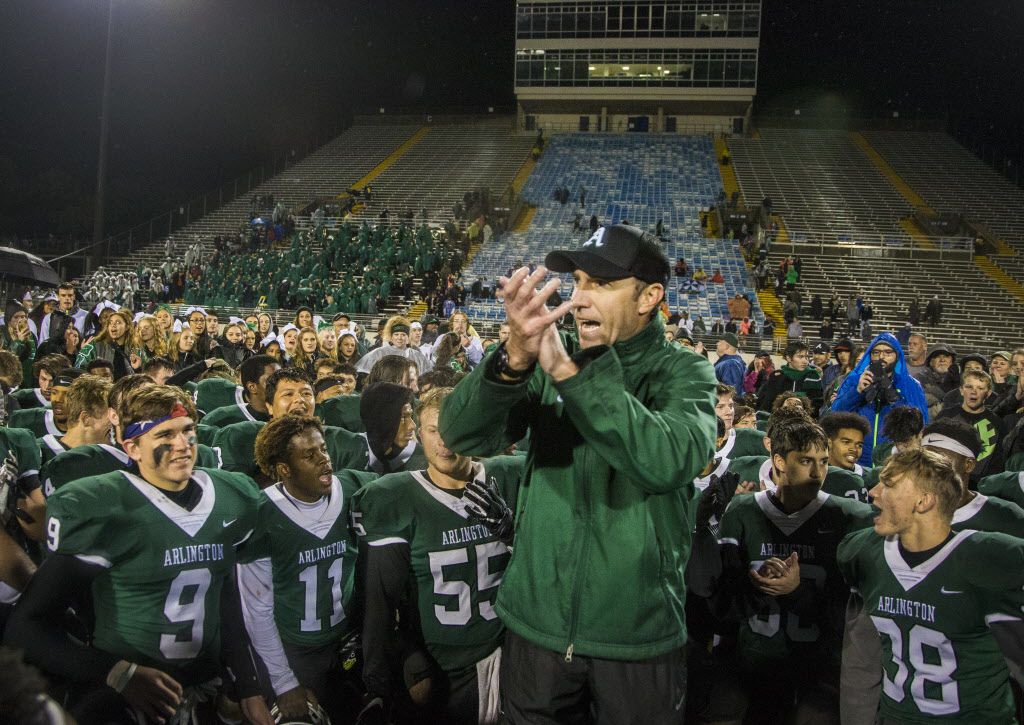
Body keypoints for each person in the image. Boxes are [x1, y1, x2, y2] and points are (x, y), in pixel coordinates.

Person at [438, 224, 717, 721]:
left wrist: (570, 373)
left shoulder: (684, 372)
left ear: (650, 296)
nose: (579, 298)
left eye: (601, 285)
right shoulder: (545, 355)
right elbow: (461, 436)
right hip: (536, 625)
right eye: (578, 281)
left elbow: (666, 460)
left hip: (636, 636)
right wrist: (513, 359)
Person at [5, 385, 271, 725]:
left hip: (207, 684)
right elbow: (26, 626)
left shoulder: (233, 495)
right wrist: (118, 673)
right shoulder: (106, 506)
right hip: (128, 695)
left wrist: (248, 684)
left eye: (188, 430)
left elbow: (225, 593)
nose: (182, 445)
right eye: (165, 435)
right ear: (132, 447)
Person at [352, 387, 524, 723]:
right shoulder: (394, 496)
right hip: (441, 666)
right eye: (433, 430)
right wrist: (382, 677)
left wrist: (516, 536)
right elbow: (381, 602)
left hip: (512, 654)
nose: (444, 441)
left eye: (455, 429)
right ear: (419, 432)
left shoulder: (510, 475)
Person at [838, 449, 1024, 725]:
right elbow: (862, 657)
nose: (873, 493)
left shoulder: (986, 559)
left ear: (924, 501)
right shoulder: (864, 551)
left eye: (888, 485)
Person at [709, 415, 874, 724]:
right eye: (806, 461)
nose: (817, 472)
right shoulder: (743, 511)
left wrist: (797, 592)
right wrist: (756, 584)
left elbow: (850, 618)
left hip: (819, 668)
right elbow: (723, 605)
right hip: (754, 664)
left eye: (824, 461)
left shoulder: (849, 516)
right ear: (779, 462)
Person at [238, 415, 372, 721]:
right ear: (284, 469)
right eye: (309, 456)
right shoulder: (261, 515)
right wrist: (284, 681)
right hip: (295, 649)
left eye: (323, 450)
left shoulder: (354, 488)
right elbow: (256, 608)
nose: (324, 461)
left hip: (347, 638)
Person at [831, 333, 929, 467]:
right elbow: (835, 414)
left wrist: (892, 394)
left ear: (897, 356)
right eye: (876, 352)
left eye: (888, 352)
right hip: (857, 462)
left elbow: (921, 424)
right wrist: (857, 391)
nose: (881, 357)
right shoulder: (855, 380)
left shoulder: (910, 385)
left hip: (894, 463)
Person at [936, 370, 1007, 484]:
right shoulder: (946, 416)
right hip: (946, 482)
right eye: (969, 386)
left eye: (980, 388)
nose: (973, 392)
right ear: (961, 390)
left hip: (981, 488)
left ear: (988, 394)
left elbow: (998, 462)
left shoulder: (997, 423)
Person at [201, 355, 280, 428]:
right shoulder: (224, 418)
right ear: (252, 387)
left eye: (282, 378)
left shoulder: (288, 411)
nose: (281, 385)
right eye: (272, 380)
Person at [756, 341, 822, 413]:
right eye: (800, 357)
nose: (805, 361)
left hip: (804, 420)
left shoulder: (813, 376)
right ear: (788, 358)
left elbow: (816, 405)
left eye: (806, 357)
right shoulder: (777, 376)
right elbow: (767, 403)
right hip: (778, 420)